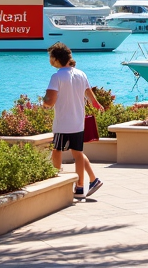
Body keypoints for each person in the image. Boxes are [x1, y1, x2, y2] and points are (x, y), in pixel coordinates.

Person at [42, 42, 104, 198]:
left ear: (56, 59)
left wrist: (44, 102)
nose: (50, 60)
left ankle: (56, 181)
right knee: (78, 154)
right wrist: (99, 106)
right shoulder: (81, 74)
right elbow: (92, 97)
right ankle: (81, 187)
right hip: (78, 122)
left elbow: (50, 101)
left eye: (51, 57)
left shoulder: (56, 77)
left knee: (56, 151)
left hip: (63, 123)